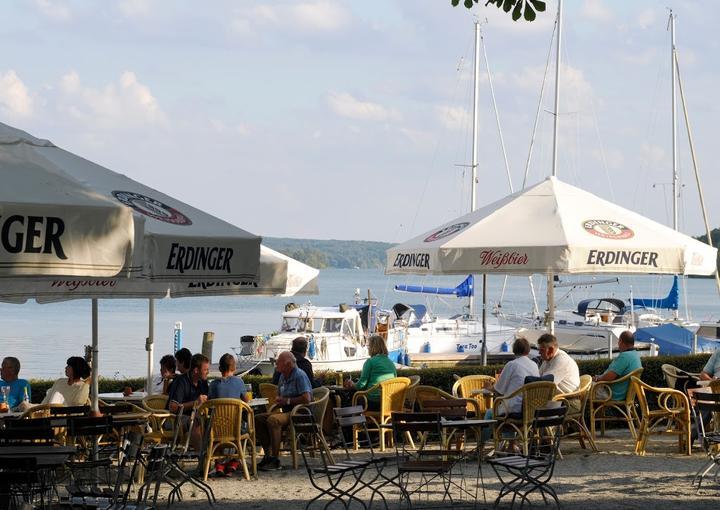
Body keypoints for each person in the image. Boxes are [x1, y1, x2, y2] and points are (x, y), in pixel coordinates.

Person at [255, 351, 312, 471]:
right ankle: (268, 455)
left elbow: (307, 399)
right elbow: (281, 395)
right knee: (258, 419)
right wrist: (279, 399)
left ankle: (275, 459)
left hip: (300, 412)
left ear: (288, 364)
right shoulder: (283, 376)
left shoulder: (299, 375)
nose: (276, 365)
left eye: (278, 363)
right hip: (287, 412)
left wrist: (287, 401)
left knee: (273, 420)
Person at [208, 353, 249, 477]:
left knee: (212, 426)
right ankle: (234, 462)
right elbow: (246, 401)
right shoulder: (239, 382)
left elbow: (210, 403)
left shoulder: (213, 385)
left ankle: (219, 464)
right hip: (235, 428)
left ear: (220, 369)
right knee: (245, 426)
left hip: (217, 428)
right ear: (234, 368)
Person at [485, 337, 540, 417]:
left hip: (513, 409)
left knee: (489, 413)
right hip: (531, 408)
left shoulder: (512, 365)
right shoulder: (534, 365)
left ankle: (492, 430)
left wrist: (489, 387)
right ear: (528, 350)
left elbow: (499, 389)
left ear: (514, 350)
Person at [167, 353, 210, 451]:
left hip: (195, 416)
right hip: (174, 419)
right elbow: (172, 407)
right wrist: (195, 402)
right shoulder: (181, 382)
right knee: (196, 422)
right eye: (205, 370)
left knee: (215, 421)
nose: (208, 372)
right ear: (196, 370)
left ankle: (221, 459)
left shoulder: (202, 382)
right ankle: (202, 459)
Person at [344, 334, 396, 411]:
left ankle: (353, 421)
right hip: (388, 402)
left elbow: (361, 385)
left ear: (372, 348)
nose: (368, 349)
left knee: (350, 398)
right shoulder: (391, 363)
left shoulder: (370, 362)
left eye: (369, 346)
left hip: (372, 402)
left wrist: (352, 384)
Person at [592, 331, 642, 401]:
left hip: (610, 393)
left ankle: (583, 411)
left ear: (621, 341)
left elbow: (609, 377)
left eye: (618, 341)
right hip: (623, 394)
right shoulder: (635, 355)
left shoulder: (625, 356)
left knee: (584, 388)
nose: (618, 344)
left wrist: (597, 379)